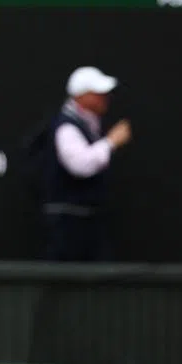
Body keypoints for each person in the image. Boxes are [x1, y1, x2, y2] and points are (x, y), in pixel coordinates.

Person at [40, 66, 131, 262]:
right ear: (82, 97)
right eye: (98, 93)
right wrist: (111, 142)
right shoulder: (66, 127)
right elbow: (80, 165)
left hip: (85, 222)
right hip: (68, 226)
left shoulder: (87, 124)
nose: (105, 97)